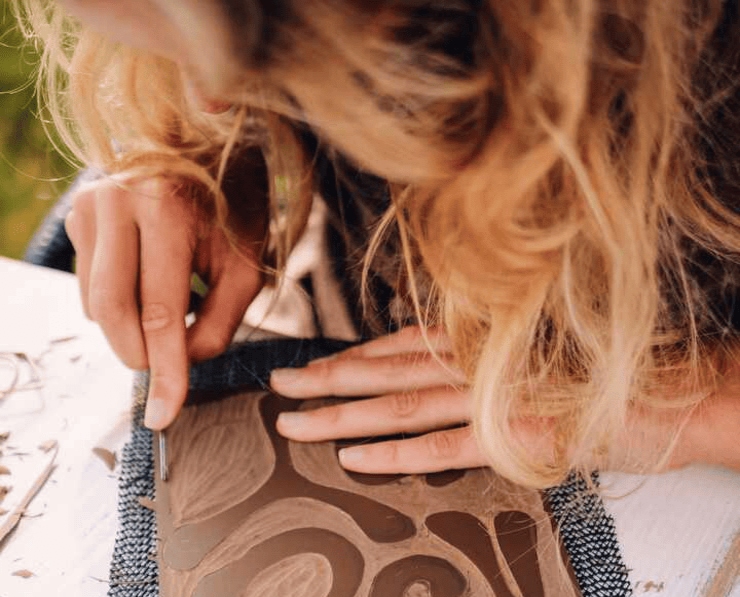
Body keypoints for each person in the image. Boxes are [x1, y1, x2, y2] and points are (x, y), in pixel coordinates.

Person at [13, 0, 740, 487]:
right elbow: (209, 107)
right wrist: (201, 159)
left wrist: (700, 403)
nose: (211, 96)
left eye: (273, 50)